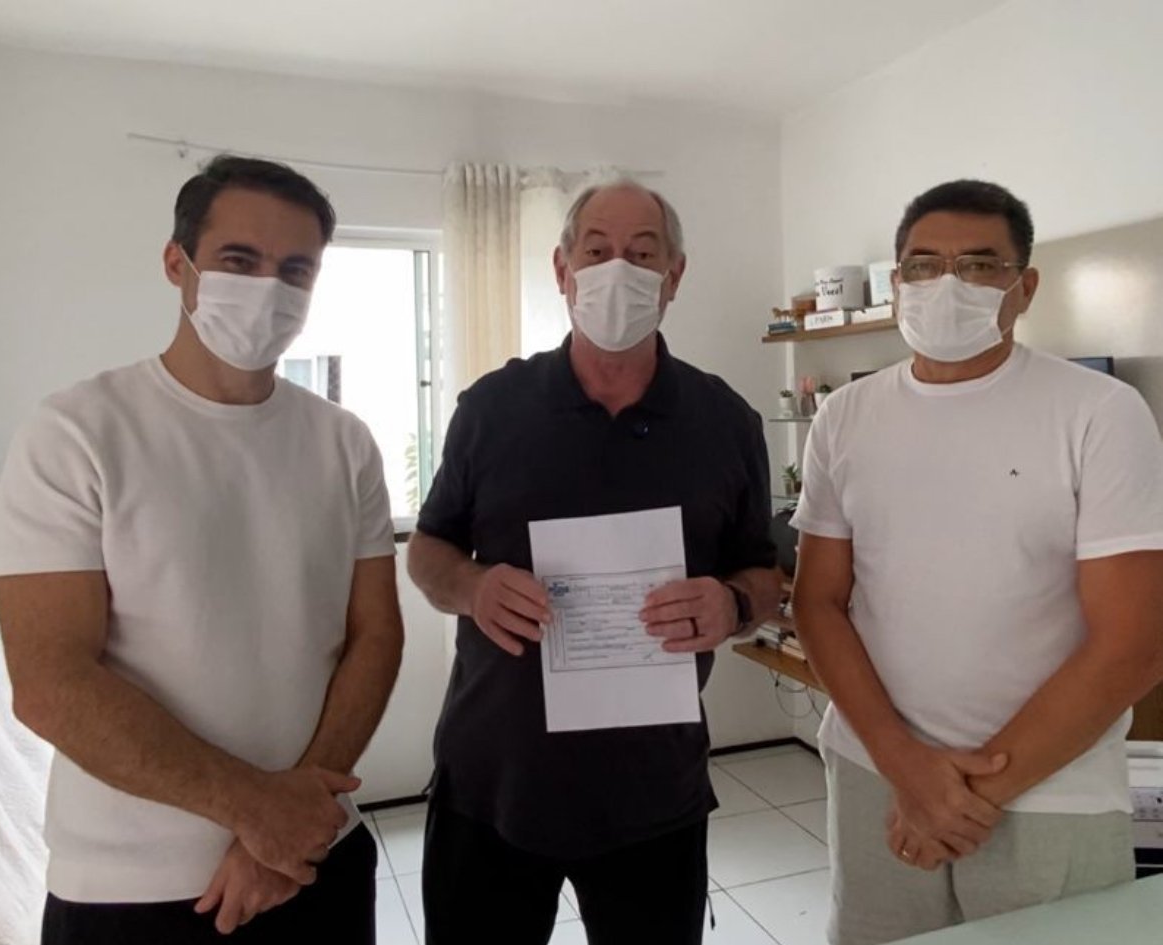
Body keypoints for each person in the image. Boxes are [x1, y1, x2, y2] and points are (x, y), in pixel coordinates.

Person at [0, 155, 405, 945]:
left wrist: (298, 819)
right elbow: (48, 681)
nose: (267, 289)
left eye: (295, 271)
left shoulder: (343, 442)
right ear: (176, 263)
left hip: (316, 857)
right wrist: (256, 810)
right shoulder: (76, 433)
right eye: (239, 261)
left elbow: (375, 635)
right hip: (131, 889)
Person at [406, 180, 782, 945]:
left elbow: (764, 574)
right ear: (562, 269)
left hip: (654, 792)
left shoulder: (726, 421)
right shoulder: (491, 408)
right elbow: (427, 550)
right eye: (597, 250)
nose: (619, 270)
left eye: (642, 254)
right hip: (494, 784)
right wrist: (473, 586)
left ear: (675, 275)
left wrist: (734, 604)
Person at [790, 179, 1163, 945]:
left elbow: (1134, 643)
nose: (947, 284)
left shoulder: (1098, 411)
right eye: (924, 265)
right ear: (898, 283)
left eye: (980, 265)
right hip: (875, 771)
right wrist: (906, 768)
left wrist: (962, 795)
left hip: (1049, 789)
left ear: (1025, 287)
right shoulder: (845, 416)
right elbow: (818, 602)